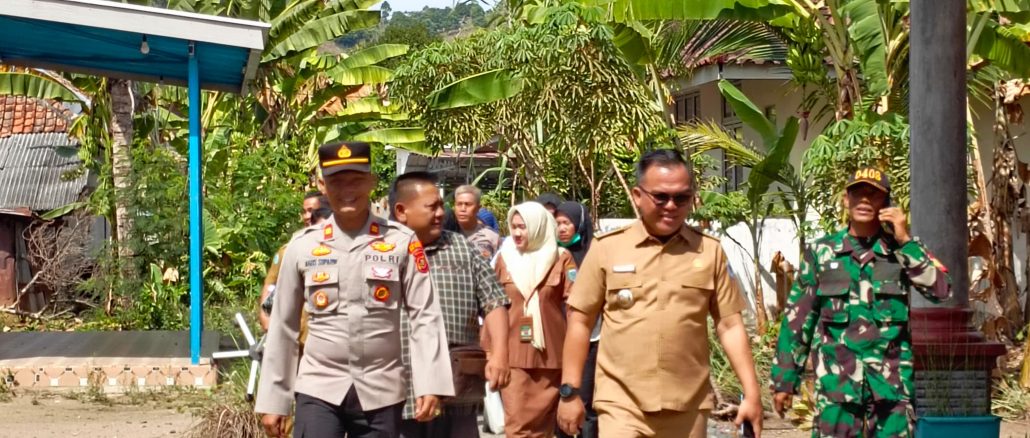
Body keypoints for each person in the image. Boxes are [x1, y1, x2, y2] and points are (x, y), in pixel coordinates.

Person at [557, 149, 764, 438]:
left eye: (681, 198)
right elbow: (580, 320)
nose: (671, 206)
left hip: (688, 407)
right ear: (637, 196)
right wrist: (570, 392)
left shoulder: (709, 252)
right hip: (622, 406)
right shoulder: (607, 249)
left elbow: (730, 325)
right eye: (661, 197)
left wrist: (752, 394)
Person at [255, 141, 454, 438]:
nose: (347, 189)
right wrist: (274, 399)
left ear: (372, 181)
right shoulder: (302, 246)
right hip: (318, 386)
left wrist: (431, 382)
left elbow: (425, 315)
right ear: (323, 185)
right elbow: (283, 325)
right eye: (337, 181)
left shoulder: (401, 242)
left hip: (381, 389)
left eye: (356, 180)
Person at [770, 166, 951, 438]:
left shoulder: (902, 251)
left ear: (886, 203)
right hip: (836, 387)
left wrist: (904, 239)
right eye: (858, 193)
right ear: (846, 199)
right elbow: (799, 319)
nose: (865, 200)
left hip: (891, 389)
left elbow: (941, 289)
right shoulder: (822, 253)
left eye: (874, 194)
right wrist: (785, 380)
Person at [388, 171, 512, 438]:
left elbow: (494, 302)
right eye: (431, 207)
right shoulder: (379, 251)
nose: (441, 213)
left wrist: (500, 355)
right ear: (401, 211)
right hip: (398, 389)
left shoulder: (461, 248)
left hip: (456, 388)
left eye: (441, 205)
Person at [492, 202, 577, 438]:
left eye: (524, 227)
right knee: (518, 427)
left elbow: (575, 307)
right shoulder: (505, 259)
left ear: (539, 227)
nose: (517, 233)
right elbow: (491, 307)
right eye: (514, 227)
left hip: (551, 357)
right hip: (513, 355)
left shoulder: (561, 258)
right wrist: (491, 353)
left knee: (544, 429)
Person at [554, 200, 598, 438]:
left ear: (579, 225)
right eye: (557, 223)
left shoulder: (593, 255)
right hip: (559, 339)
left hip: (590, 338)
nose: (561, 228)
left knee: (586, 400)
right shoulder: (552, 255)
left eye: (566, 223)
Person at [259, 206, 332, 332]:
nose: (307, 216)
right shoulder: (293, 251)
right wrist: (266, 317)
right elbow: (274, 287)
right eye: (304, 211)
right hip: (299, 332)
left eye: (311, 211)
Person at [454, 185, 502, 259]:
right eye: (459, 204)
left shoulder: (491, 237)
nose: (463, 209)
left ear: (478, 208)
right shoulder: (446, 235)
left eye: (468, 204)